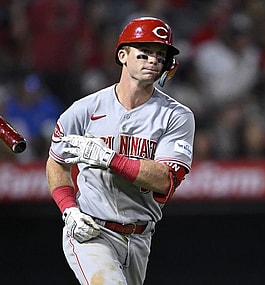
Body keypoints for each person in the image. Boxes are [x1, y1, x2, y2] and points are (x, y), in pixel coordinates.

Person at [46, 17, 195, 284]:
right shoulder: (84, 109)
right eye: (145, 52)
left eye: (160, 55)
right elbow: (57, 162)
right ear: (123, 55)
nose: (153, 60)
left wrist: (108, 158)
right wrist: (69, 210)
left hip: (140, 237)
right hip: (92, 231)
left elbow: (166, 180)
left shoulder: (176, 116)